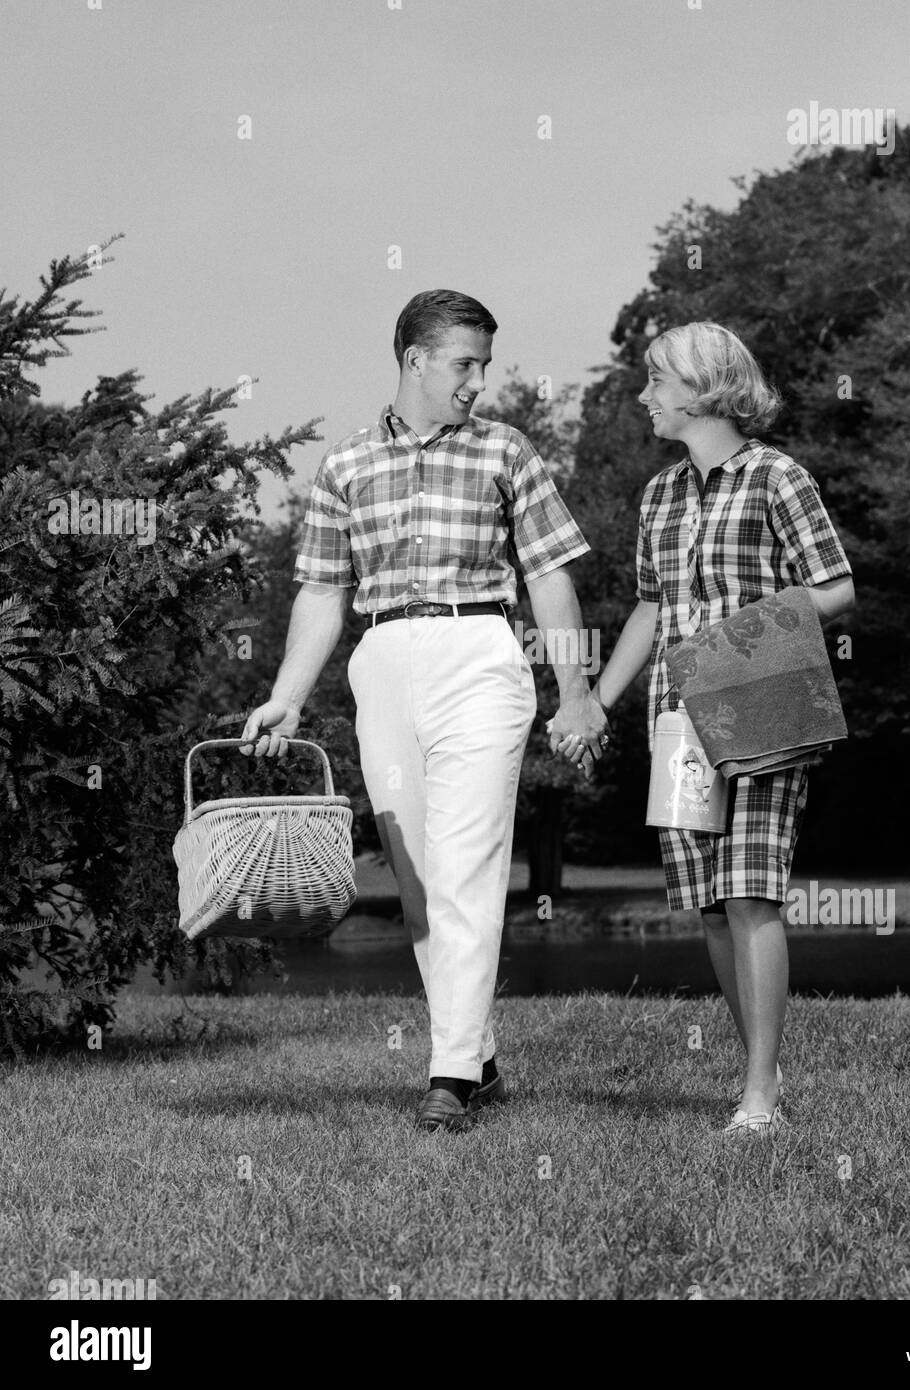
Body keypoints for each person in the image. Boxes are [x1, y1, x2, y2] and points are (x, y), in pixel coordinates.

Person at [241, 289, 608, 1131]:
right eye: (463, 364)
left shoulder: (506, 452)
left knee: (468, 865)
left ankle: (446, 1077)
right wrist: (287, 698)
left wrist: (575, 692)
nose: (478, 381)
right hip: (383, 663)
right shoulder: (343, 466)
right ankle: (475, 1055)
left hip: (480, 653)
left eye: (483, 364)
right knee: (418, 882)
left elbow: (550, 574)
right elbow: (322, 594)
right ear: (415, 359)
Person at [556, 321, 853, 1135]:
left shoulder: (775, 478)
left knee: (752, 891)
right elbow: (650, 611)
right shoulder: (657, 495)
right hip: (678, 725)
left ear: (701, 388)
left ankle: (757, 1096)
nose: (644, 397)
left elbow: (833, 588)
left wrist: (734, 641)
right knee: (710, 906)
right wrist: (595, 703)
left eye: (656, 382)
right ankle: (764, 1066)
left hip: (762, 703)